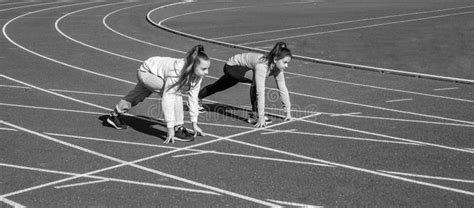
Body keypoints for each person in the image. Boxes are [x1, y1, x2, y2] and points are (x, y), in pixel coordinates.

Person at [106, 45, 210, 143]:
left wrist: (194, 123)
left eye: (207, 68)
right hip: (147, 72)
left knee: (139, 94)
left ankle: (114, 115)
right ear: (192, 66)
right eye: (204, 69)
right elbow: (168, 98)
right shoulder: (177, 71)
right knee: (175, 93)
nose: (207, 72)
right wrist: (170, 127)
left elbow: (193, 98)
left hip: (155, 71)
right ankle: (178, 128)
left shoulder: (198, 76)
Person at [198, 42, 293, 128]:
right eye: (285, 62)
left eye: (288, 63)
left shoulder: (278, 69)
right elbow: (260, 92)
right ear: (276, 59)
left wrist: (287, 112)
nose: (286, 66)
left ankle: (197, 98)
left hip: (240, 68)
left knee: (219, 86)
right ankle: (255, 114)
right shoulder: (262, 66)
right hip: (232, 67)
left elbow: (283, 89)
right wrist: (261, 117)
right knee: (255, 82)